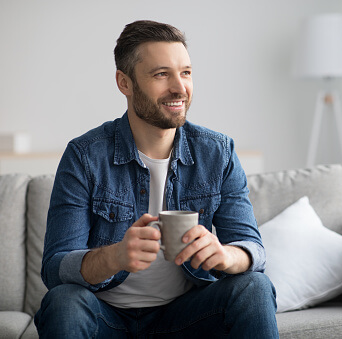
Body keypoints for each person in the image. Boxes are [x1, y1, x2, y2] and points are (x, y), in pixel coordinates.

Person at [35, 20, 278, 338]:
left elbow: (253, 248)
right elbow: (55, 267)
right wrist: (115, 256)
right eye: (162, 74)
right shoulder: (84, 156)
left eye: (186, 72)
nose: (180, 88)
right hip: (105, 317)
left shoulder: (217, 152)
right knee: (63, 301)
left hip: (187, 315)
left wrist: (227, 255)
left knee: (254, 286)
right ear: (125, 82)